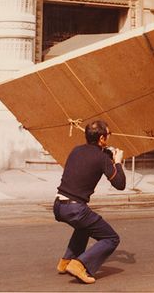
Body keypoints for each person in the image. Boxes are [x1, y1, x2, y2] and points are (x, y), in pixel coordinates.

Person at [53, 120, 126, 284]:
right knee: (111, 238)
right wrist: (118, 162)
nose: (109, 137)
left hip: (58, 205)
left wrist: (108, 155)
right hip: (75, 209)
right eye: (108, 135)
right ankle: (80, 264)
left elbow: (91, 159)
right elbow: (120, 184)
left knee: (84, 228)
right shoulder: (101, 158)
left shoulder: (76, 150)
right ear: (101, 138)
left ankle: (66, 262)